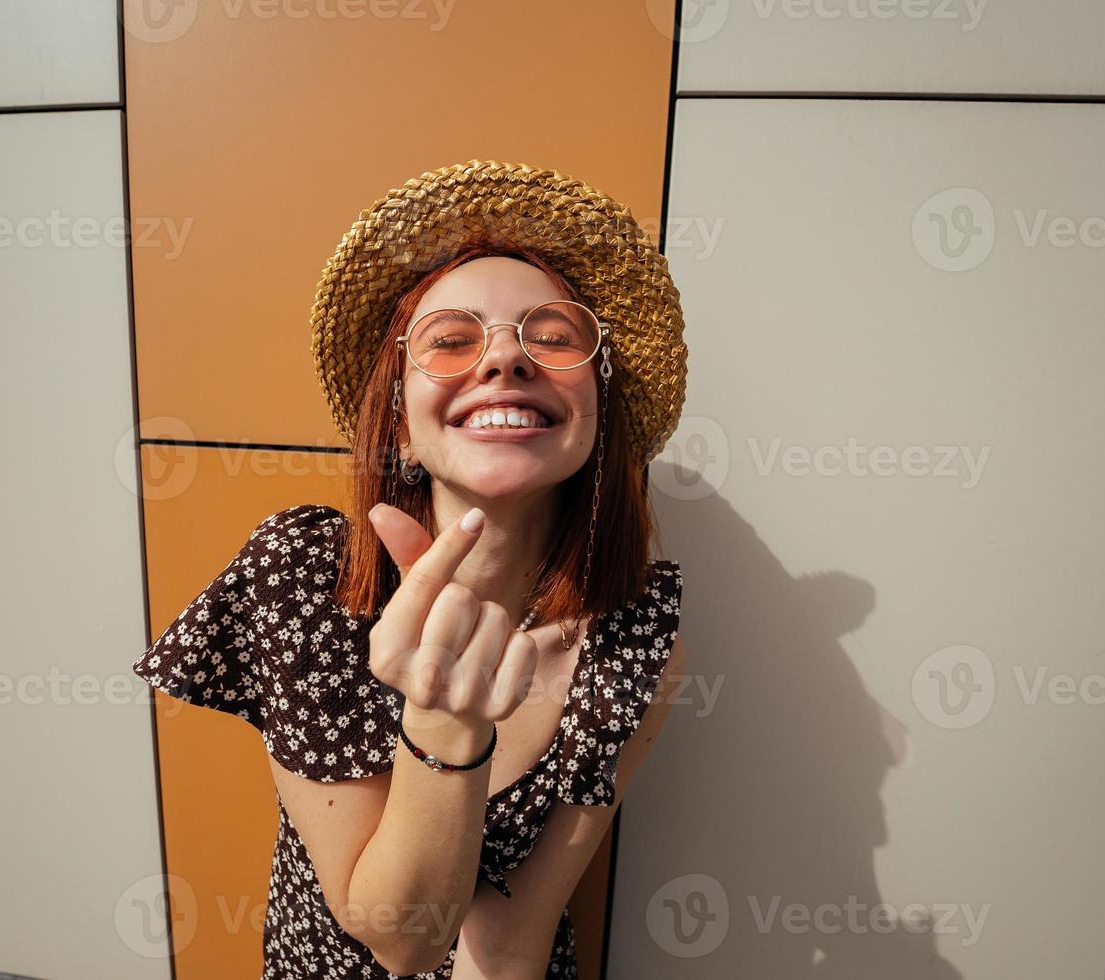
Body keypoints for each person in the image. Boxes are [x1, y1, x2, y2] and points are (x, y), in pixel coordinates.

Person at [133, 159, 690, 978]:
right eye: (452, 340)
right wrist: (444, 721)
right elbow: (398, 935)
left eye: (553, 335)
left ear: (597, 416)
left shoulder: (637, 639)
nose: (504, 359)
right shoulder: (301, 574)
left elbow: (515, 935)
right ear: (395, 421)